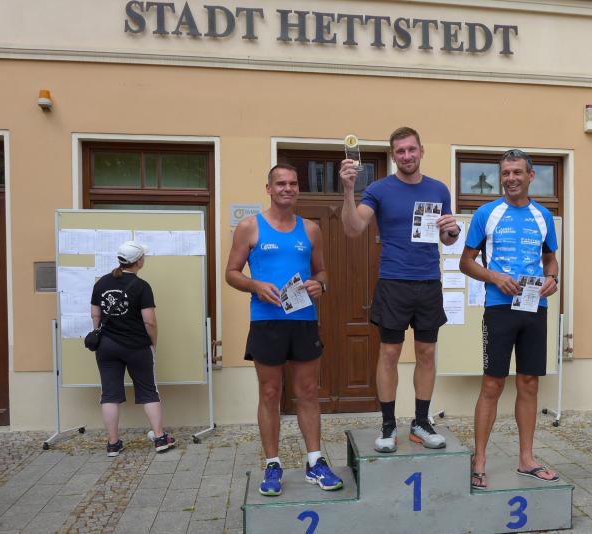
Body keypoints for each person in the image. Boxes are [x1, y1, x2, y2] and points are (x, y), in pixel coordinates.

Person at [339, 126, 460, 453]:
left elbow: (447, 238)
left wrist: (452, 231)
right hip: (393, 282)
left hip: (428, 281)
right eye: (400, 151)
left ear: (421, 151)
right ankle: (388, 425)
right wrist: (349, 190)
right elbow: (353, 228)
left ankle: (421, 422)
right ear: (393, 156)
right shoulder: (379, 189)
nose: (407, 156)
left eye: (411, 149)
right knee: (389, 353)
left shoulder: (439, 189)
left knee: (426, 352)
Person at [226, 163, 343, 496]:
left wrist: (320, 285)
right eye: (281, 183)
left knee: (308, 391)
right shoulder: (250, 227)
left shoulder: (311, 229)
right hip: (266, 321)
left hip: (303, 320)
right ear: (269, 188)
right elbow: (231, 273)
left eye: (292, 183)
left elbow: (322, 273)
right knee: (270, 393)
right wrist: (254, 285)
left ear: (298, 189)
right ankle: (272, 464)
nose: (287, 188)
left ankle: (315, 462)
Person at [459, 149, 560, 489]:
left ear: (531, 176)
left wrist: (553, 279)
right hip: (499, 308)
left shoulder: (543, 216)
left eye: (517, 172)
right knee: (492, 384)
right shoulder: (486, 213)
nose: (511, 178)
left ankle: (526, 459)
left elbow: (550, 259)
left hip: (535, 308)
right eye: (506, 173)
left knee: (529, 383)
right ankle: (480, 460)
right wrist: (493, 277)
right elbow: (465, 262)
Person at [90, 241, 176, 457]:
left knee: (109, 394)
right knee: (148, 391)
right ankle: (159, 438)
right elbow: (150, 322)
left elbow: (95, 315)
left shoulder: (101, 283)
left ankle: (113, 444)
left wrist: (102, 335)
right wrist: (153, 343)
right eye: (143, 257)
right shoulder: (141, 286)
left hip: (107, 346)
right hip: (137, 346)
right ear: (138, 261)